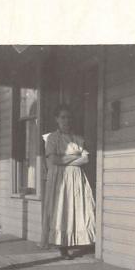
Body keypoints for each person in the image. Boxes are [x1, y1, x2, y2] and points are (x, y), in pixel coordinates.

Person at [42, 105, 96, 259]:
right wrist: (75, 156)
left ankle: (77, 240)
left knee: (77, 208)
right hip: (60, 178)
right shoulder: (52, 138)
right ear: (57, 119)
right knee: (62, 208)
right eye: (63, 117)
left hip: (76, 177)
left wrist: (64, 158)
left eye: (68, 117)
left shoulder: (78, 139)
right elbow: (53, 159)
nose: (66, 120)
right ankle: (62, 246)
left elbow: (85, 159)